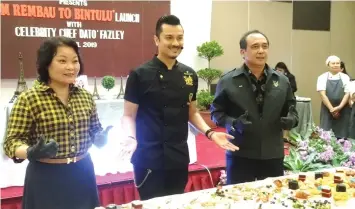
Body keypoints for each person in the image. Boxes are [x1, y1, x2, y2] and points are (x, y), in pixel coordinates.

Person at [122, 15, 238, 200]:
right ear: (156, 39)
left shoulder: (189, 74)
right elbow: (128, 115)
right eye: (169, 37)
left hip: (178, 156)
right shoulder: (139, 74)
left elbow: (192, 112)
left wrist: (211, 133)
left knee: (176, 202)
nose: (176, 43)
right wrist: (130, 137)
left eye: (179, 38)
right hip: (148, 157)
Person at [3, 37, 112, 209]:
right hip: (45, 178)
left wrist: (100, 138)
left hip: (82, 173)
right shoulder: (29, 99)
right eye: (62, 61)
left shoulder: (85, 96)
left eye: (75, 61)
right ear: (46, 64)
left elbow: (94, 129)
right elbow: (11, 142)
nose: (71, 67)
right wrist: (30, 151)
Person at [211, 30, 299, 184]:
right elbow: (216, 113)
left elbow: (292, 111)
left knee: (272, 201)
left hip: (272, 154)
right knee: (239, 200)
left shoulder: (283, 81)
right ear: (243, 51)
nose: (261, 51)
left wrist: (291, 120)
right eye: (255, 47)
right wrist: (232, 123)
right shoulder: (228, 80)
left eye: (264, 46)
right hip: (240, 153)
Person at [317, 55, 350, 138]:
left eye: (338, 63)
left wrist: (339, 107)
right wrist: (331, 109)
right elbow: (322, 94)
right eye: (333, 63)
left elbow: (347, 93)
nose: (335, 65)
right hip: (327, 108)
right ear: (328, 65)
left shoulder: (345, 77)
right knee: (326, 134)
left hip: (343, 108)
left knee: (342, 134)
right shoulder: (322, 77)